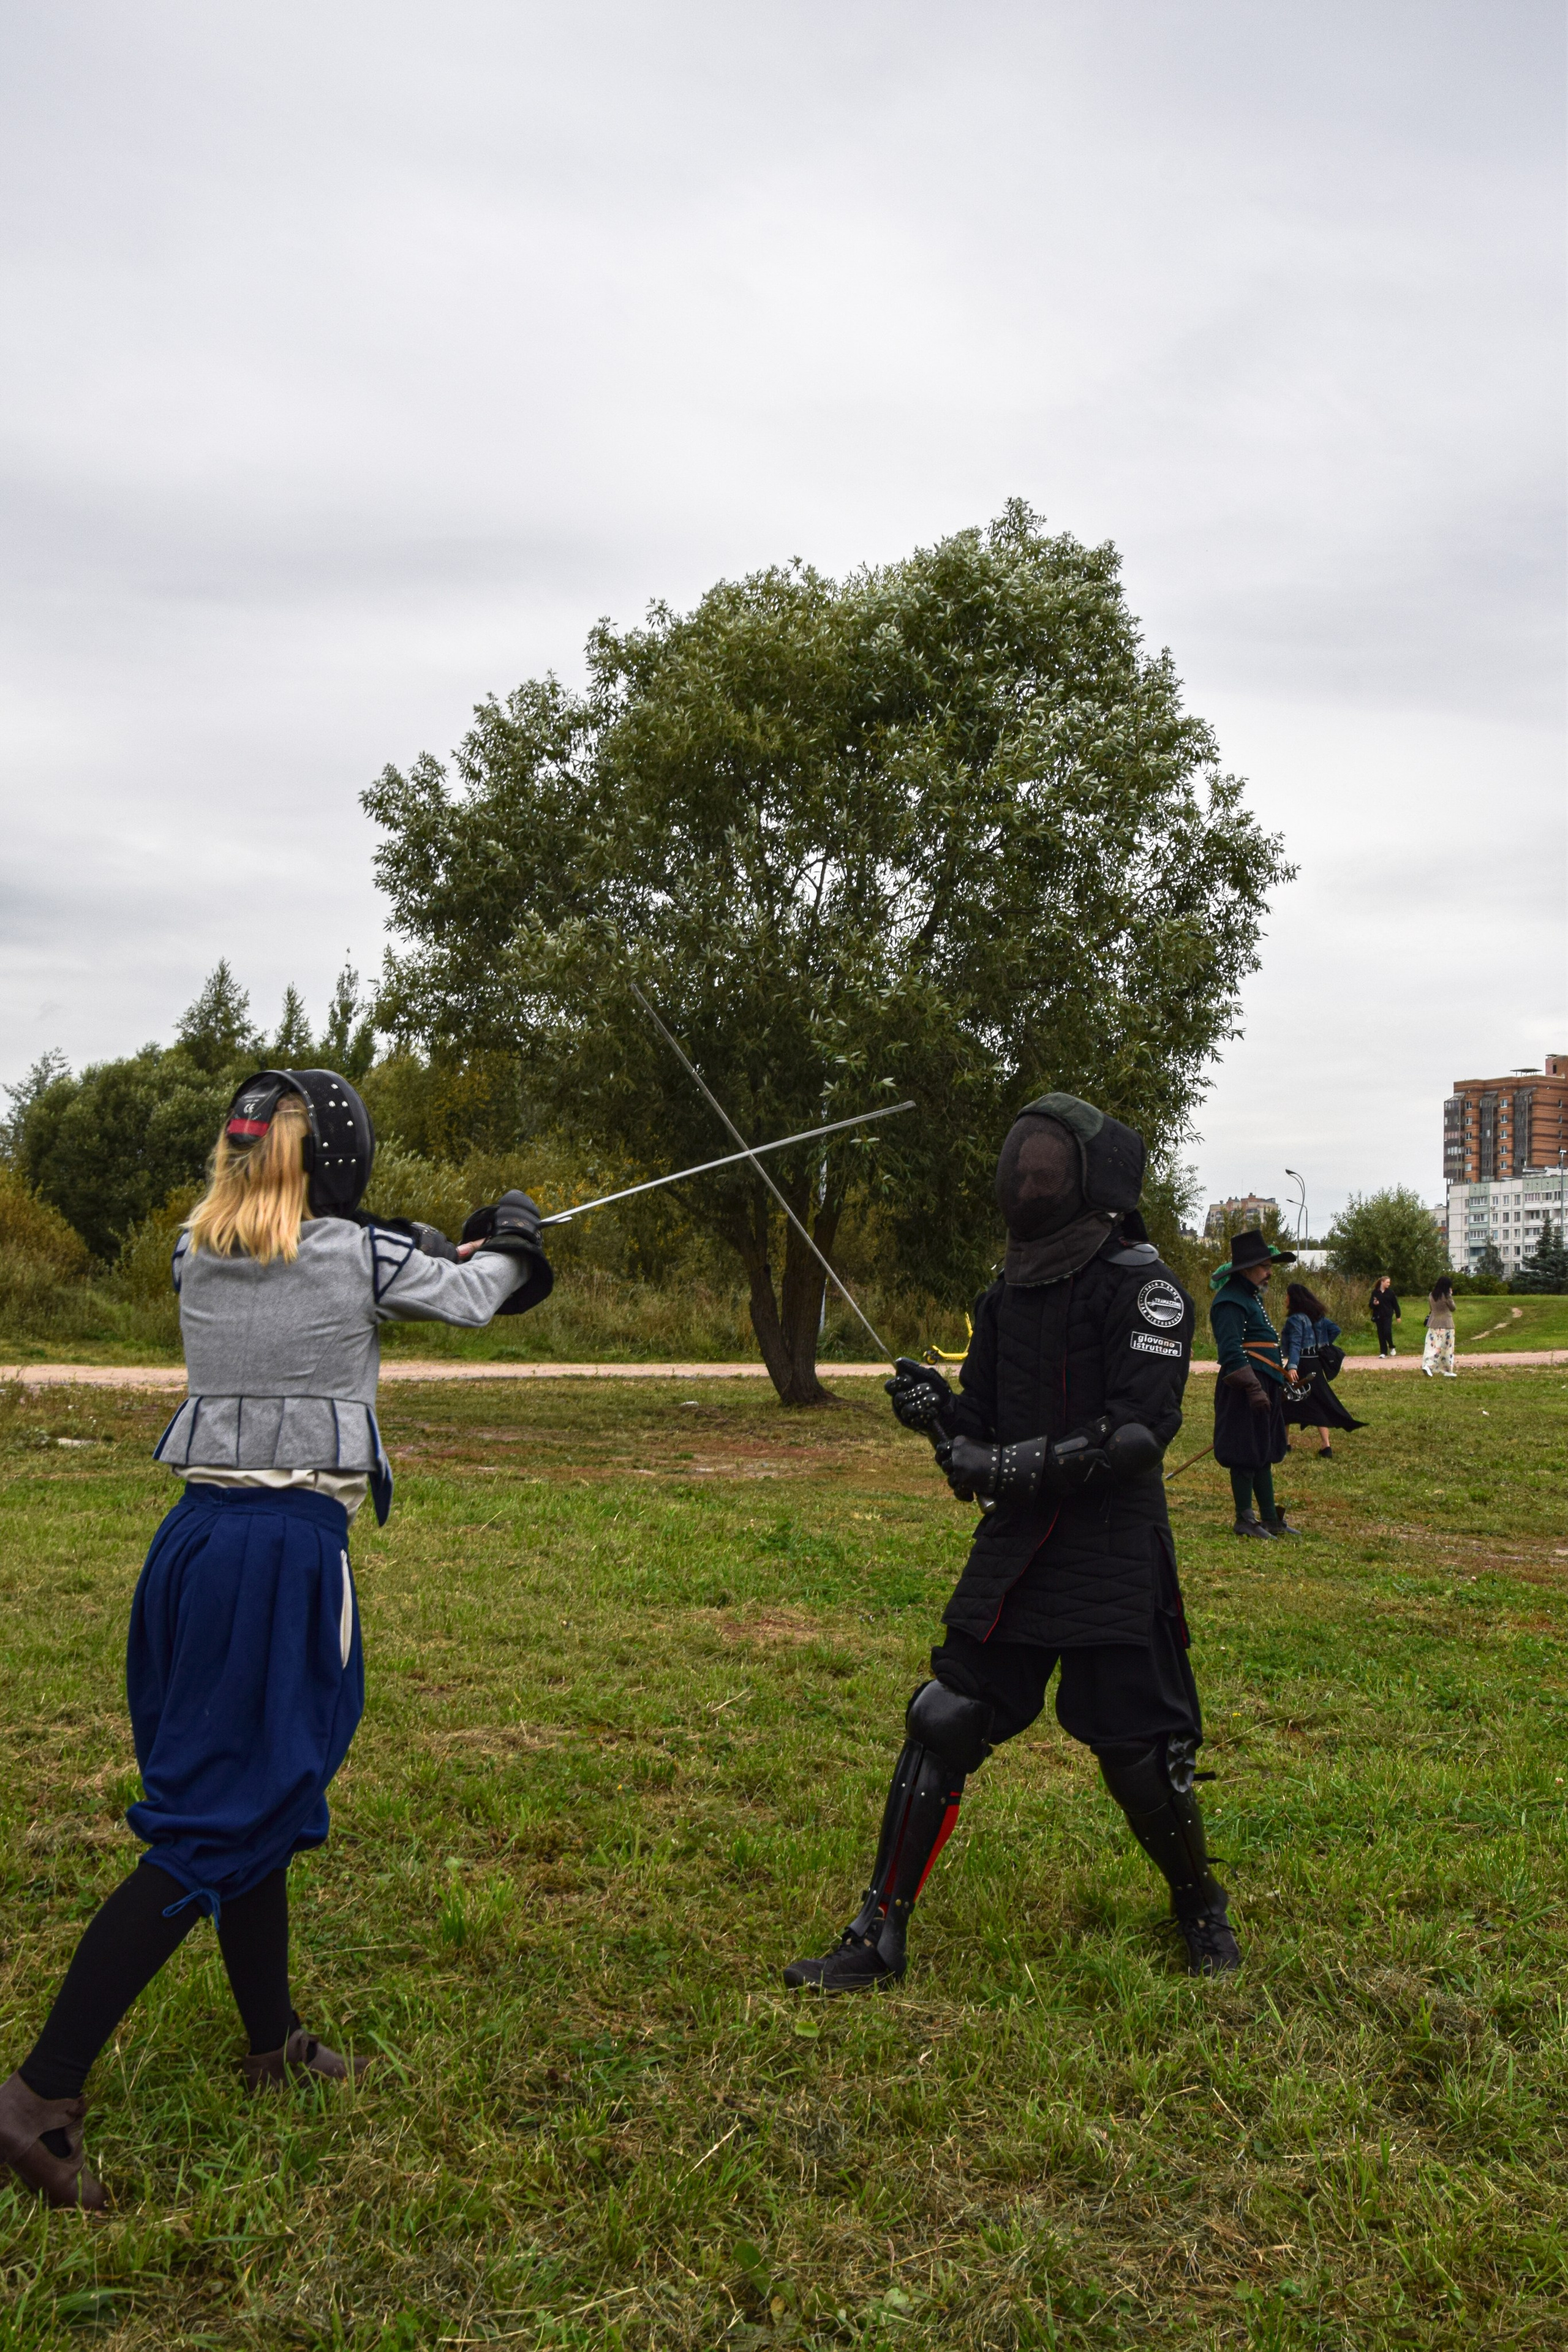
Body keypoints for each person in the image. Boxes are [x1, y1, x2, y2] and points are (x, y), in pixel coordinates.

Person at [0, 1068, 552, 2212]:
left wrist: (408, 1239)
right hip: (284, 1552)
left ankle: (272, 2042)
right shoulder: (357, 1256)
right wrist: (513, 1232)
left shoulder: (191, 1251)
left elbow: (321, 1254)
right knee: (213, 1824)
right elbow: (476, 1296)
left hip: (195, 1544)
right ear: (339, 1160)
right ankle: (36, 2095)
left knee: (262, 1802)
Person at [782, 1092, 1240, 1994]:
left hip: (1111, 1546)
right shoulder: (1007, 1294)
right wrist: (938, 1416)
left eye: (1046, 1168)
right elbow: (978, 1439)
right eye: (1021, 1166)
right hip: (1020, 1549)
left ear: (1091, 1178)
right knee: (943, 1717)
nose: (1028, 1181)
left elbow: (1142, 1432)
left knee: (1141, 1756)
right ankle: (878, 1936)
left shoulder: (1144, 1287)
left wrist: (1002, 1461)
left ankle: (1199, 1908)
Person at [1210, 1229, 1298, 1539]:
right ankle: (1244, 1519)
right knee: (1245, 1451)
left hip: (1263, 1381)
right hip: (1243, 1386)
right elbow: (1231, 1351)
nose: (1270, 1272)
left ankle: (1271, 1518)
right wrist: (1253, 1388)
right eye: (1265, 1266)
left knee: (1263, 1450)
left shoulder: (1250, 1297)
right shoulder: (1230, 1301)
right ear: (1247, 1268)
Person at [1280, 1281, 1365, 1458]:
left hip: (1300, 1363)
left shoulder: (1296, 1319)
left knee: (1283, 1399)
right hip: (1315, 1363)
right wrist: (1322, 1345)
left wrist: (1292, 1367)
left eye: (1287, 1296)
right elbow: (1335, 1330)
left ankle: (1285, 1444)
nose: (1285, 1299)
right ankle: (1326, 1446)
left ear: (1293, 1298)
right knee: (1319, 1399)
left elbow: (1296, 1344)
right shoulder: (1317, 1317)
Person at [1423, 1276, 1458, 1378]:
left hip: (1434, 1324)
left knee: (1433, 1346)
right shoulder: (1446, 1296)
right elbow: (1453, 1308)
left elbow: (1431, 1309)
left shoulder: (1431, 1295)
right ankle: (1447, 1369)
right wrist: (1450, 1296)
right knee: (1447, 1348)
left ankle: (1428, 1365)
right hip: (1447, 1324)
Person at [1368, 1275, 1400, 1357]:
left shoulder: (1390, 1293)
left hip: (1388, 1315)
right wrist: (1374, 1304)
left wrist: (1398, 1316)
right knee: (1381, 1334)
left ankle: (1392, 1346)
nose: (1389, 1284)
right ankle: (1383, 1352)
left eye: (1389, 1282)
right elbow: (1370, 1305)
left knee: (1387, 1332)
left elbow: (1395, 1305)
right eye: (1387, 1282)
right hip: (1378, 1316)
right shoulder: (1375, 1292)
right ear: (1382, 1282)